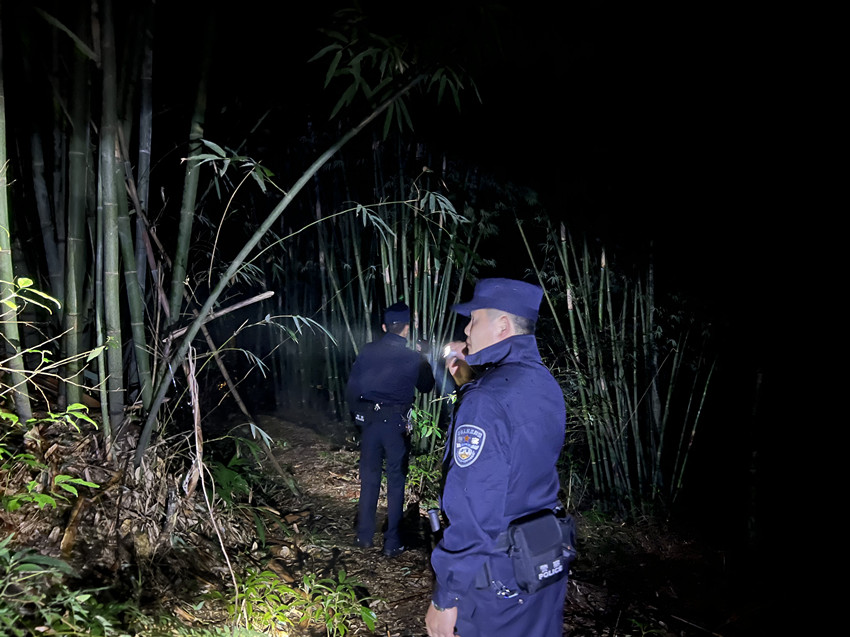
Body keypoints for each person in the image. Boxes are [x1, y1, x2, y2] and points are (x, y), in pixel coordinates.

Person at [425, 278, 568, 637]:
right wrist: (470, 382)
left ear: (502, 325)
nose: (466, 329)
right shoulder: (544, 383)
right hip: (543, 560)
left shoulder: (486, 401)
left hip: (497, 581)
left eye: (474, 319)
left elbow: (475, 511)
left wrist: (446, 596)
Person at [346, 302, 435, 557]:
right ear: (407, 329)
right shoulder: (411, 357)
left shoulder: (368, 351)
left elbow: (352, 388)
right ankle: (391, 541)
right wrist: (424, 356)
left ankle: (364, 536)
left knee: (370, 479)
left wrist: (358, 418)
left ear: (385, 327)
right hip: (396, 425)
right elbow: (427, 386)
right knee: (396, 481)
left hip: (371, 422)